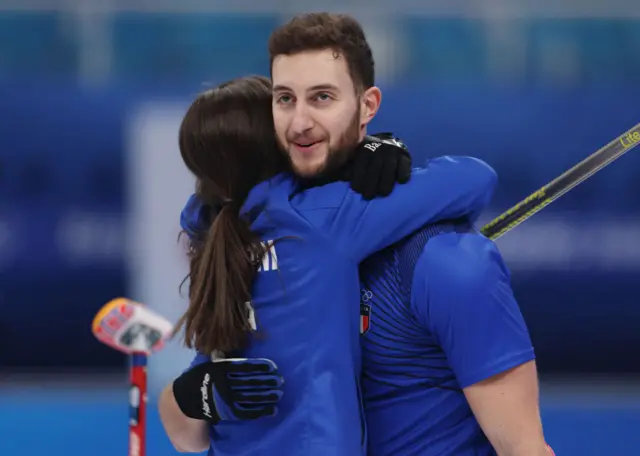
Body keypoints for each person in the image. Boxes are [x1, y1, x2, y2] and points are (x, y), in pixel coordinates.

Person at [158, 72, 496, 456]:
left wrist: (192, 393)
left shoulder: (213, 236)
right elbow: (475, 179)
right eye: (286, 108)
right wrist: (365, 156)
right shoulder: (324, 216)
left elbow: (187, 440)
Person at [268, 12, 553, 456]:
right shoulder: (264, 240)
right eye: (285, 99)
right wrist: (197, 395)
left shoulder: (448, 264)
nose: (299, 122)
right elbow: (188, 429)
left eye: (322, 97)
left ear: (367, 105)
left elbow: (525, 449)